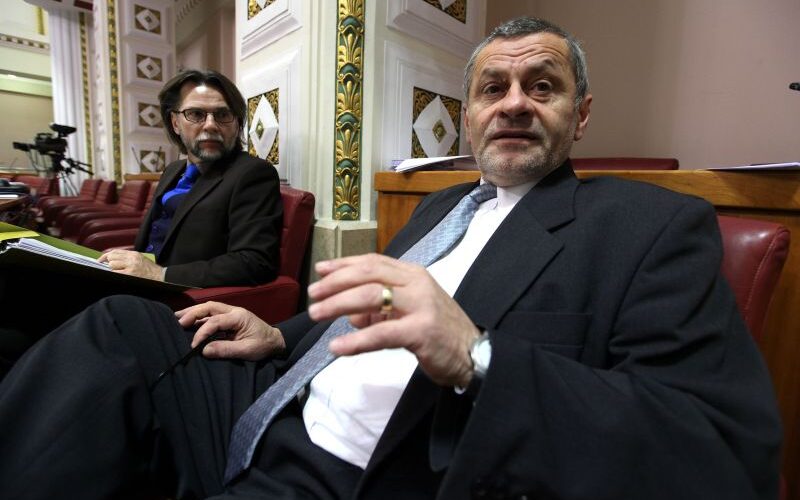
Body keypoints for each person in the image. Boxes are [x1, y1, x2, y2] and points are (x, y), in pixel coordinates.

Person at [0, 17, 781, 500]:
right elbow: (364, 316)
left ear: (580, 115)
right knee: (117, 323)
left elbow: (721, 452)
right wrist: (280, 332)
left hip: (370, 468)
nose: (514, 101)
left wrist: (476, 356)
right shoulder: (439, 208)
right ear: (469, 116)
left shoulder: (648, 224)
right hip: (277, 403)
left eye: (542, 85)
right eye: (493, 88)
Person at [97, 69, 283, 287]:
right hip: (135, 283)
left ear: (237, 123)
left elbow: (255, 262)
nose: (211, 124)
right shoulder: (172, 170)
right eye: (195, 114)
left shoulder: (253, 174)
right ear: (175, 123)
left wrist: (160, 274)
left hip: (179, 297)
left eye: (223, 114)